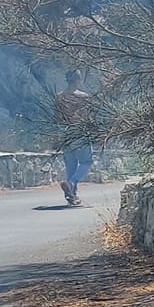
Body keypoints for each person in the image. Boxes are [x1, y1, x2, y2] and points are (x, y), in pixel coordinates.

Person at [53, 71, 99, 206]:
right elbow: (88, 117)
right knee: (86, 162)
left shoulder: (59, 97)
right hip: (80, 132)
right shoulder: (83, 97)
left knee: (70, 165)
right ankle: (71, 183)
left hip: (65, 133)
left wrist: (57, 137)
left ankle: (72, 196)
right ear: (78, 80)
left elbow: (56, 119)